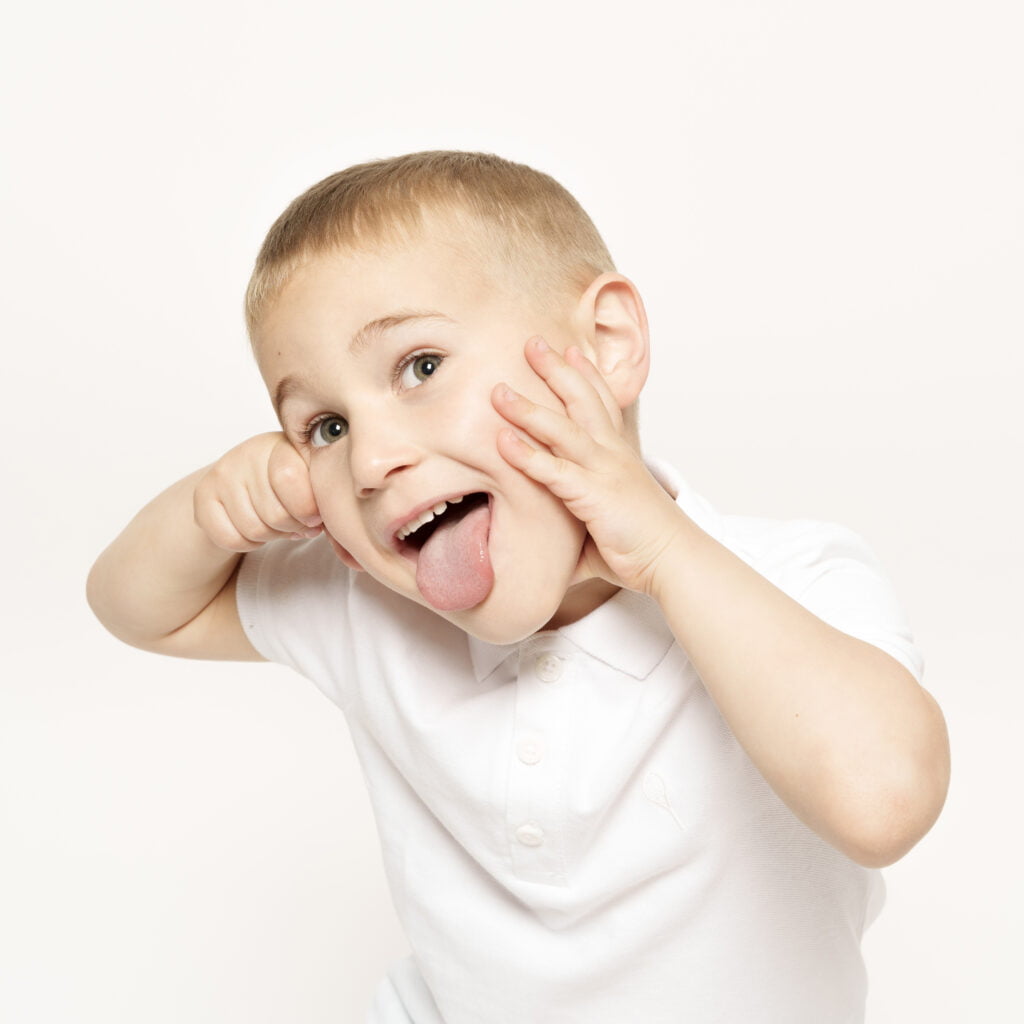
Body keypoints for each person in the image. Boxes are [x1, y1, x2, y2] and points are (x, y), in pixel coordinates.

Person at [87, 151, 949, 1023]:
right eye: (325, 426)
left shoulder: (791, 581)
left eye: (420, 366)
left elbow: (884, 802)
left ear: (605, 347)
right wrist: (208, 512)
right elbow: (139, 608)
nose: (372, 460)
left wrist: (662, 550)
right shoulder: (371, 612)